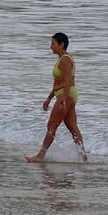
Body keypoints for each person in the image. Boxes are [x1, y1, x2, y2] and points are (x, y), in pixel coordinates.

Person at [27, 32, 88, 163]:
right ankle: (83, 158)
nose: (51, 47)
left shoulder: (65, 59)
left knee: (51, 125)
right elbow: (57, 84)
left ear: (62, 44)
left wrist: (63, 100)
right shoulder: (61, 59)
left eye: (53, 44)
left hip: (67, 96)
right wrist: (49, 98)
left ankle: (40, 156)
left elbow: (68, 81)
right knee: (73, 128)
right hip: (66, 95)